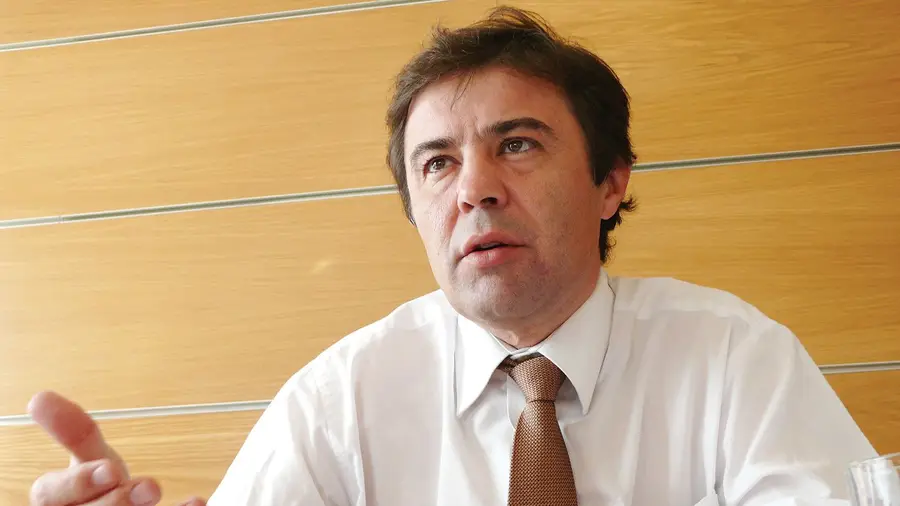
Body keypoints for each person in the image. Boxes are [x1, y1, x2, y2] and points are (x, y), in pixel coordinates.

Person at [27, 6, 875, 506]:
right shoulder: (339, 401)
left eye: (517, 144)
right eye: (436, 163)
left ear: (609, 183)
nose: (474, 189)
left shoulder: (734, 358)